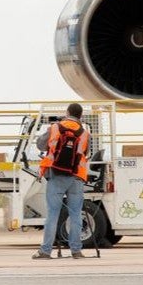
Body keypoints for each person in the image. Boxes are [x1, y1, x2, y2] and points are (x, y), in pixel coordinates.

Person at [33, 102, 91, 259]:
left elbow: (40, 145)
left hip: (56, 174)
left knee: (53, 214)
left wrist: (48, 132)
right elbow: (86, 152)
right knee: (75, 214)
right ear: (80, 116)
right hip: (76, 177)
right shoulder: (85, 134)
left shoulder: (55, 127)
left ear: (67, 112)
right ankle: (76, 251)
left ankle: (45, 251)